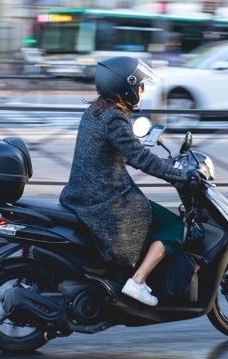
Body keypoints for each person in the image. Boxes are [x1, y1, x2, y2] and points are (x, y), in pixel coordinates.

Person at [59, 56, 196, 306]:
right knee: (174, 228)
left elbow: (129, 154)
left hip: (81, 194)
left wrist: (153, 160)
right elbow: (141, 158)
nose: (142, 90)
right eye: (140, 84)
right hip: (104, 201)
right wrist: (181, 175)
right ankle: (138, 282)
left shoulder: (95, 111)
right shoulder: (115, 118)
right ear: (126, 85)